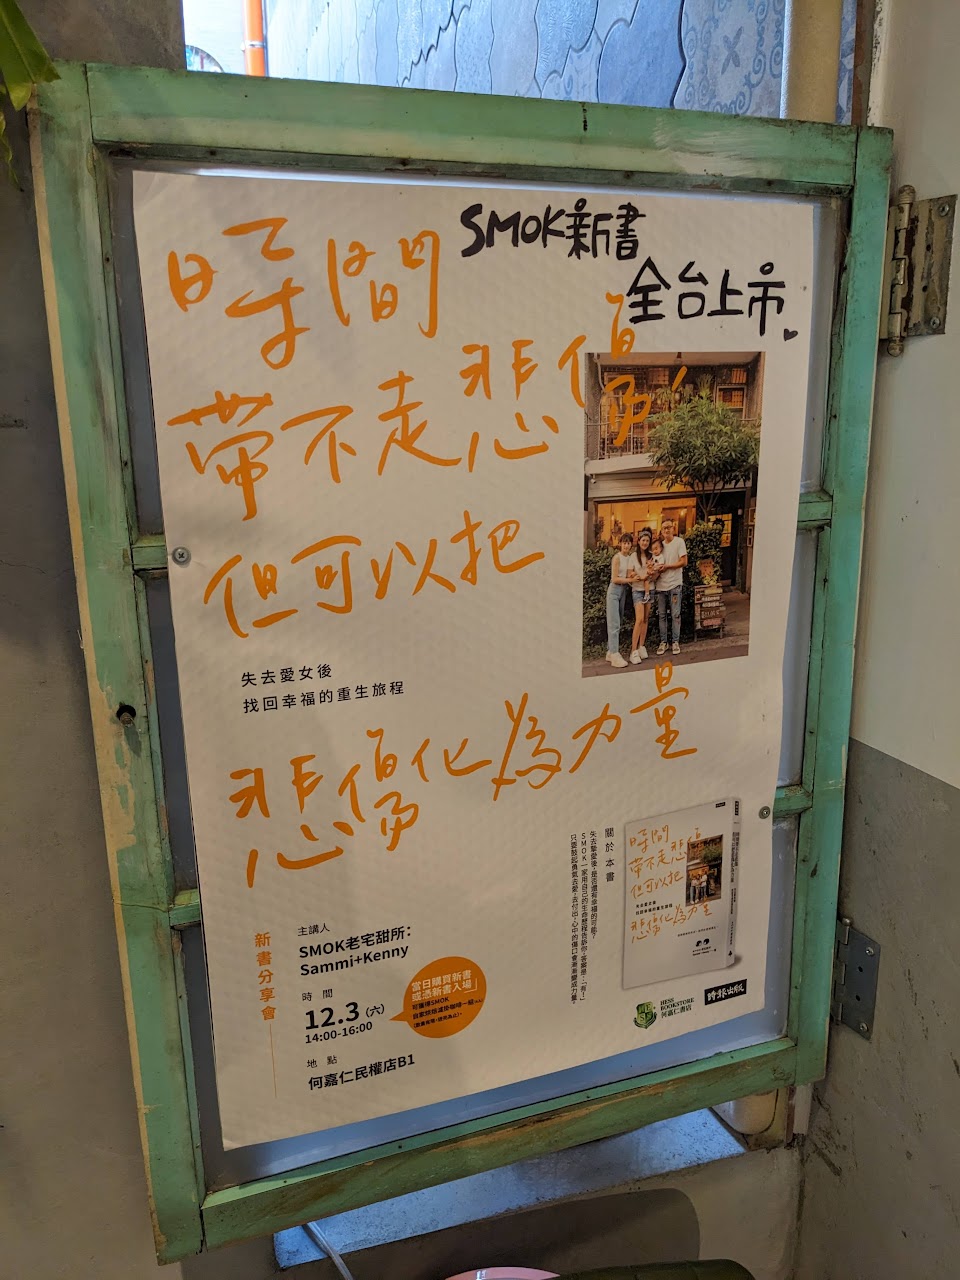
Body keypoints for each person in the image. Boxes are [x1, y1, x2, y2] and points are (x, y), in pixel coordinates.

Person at [654, 519, 688, 656]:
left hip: (675, 584)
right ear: (661, 531)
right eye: (664, 528)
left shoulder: (679, 542)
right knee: (662, 615)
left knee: (675, 614)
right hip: (661, 586)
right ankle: (664, 642)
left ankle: (675, 641)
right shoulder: (659, 546)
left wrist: (667, 566)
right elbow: (654, 562)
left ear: (673, 528)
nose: (666, 530)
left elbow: (684, 562)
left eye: (669, 527)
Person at [605, 533, 638, 668]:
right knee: (614, 623)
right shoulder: (617, 557)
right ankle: (614, 655)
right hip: (614, 591)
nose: (626, 545)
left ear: (631, 545)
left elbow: (630, 574)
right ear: (620, 544)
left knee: (618, 621)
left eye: (628, 543)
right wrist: (630, 579)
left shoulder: (630, 558)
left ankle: (610, 652)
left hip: (623, 591)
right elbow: (614, 579)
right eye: (624, 543)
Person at [629, 528, 655, 664]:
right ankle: (633, 651)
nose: (645, 543)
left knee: (645, 619)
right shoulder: (633, 556)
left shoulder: (652, 556)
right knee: (639, 619)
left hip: (649, 589)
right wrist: (637, 576)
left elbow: (655, 573)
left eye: (647, 541)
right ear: (638, 541)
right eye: (643, 540)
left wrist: (652, 573)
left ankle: (641, 646)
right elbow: (629, 574)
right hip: (637, 590)